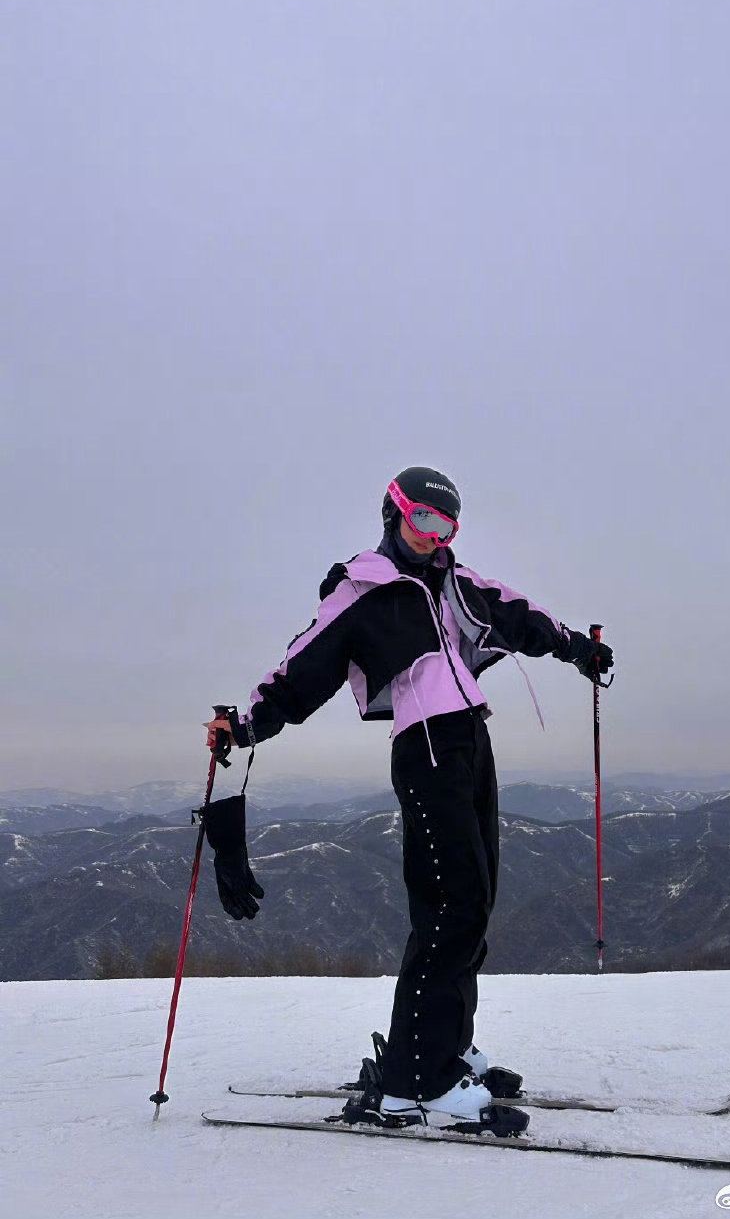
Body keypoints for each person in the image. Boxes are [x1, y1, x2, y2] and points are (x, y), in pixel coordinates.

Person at [202, 466, 613, 1133]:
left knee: (474, 899)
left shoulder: (455, 583)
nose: (434, 536)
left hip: (469, 740)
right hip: (424, 745)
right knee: (452, 903)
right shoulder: (363, 588)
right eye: (423, 520)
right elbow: (302, 667)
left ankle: (445, 1045)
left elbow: (519, 613)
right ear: (393, 514)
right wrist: (246, 723)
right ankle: (416, 1083)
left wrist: (577, 651)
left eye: (446, 525)